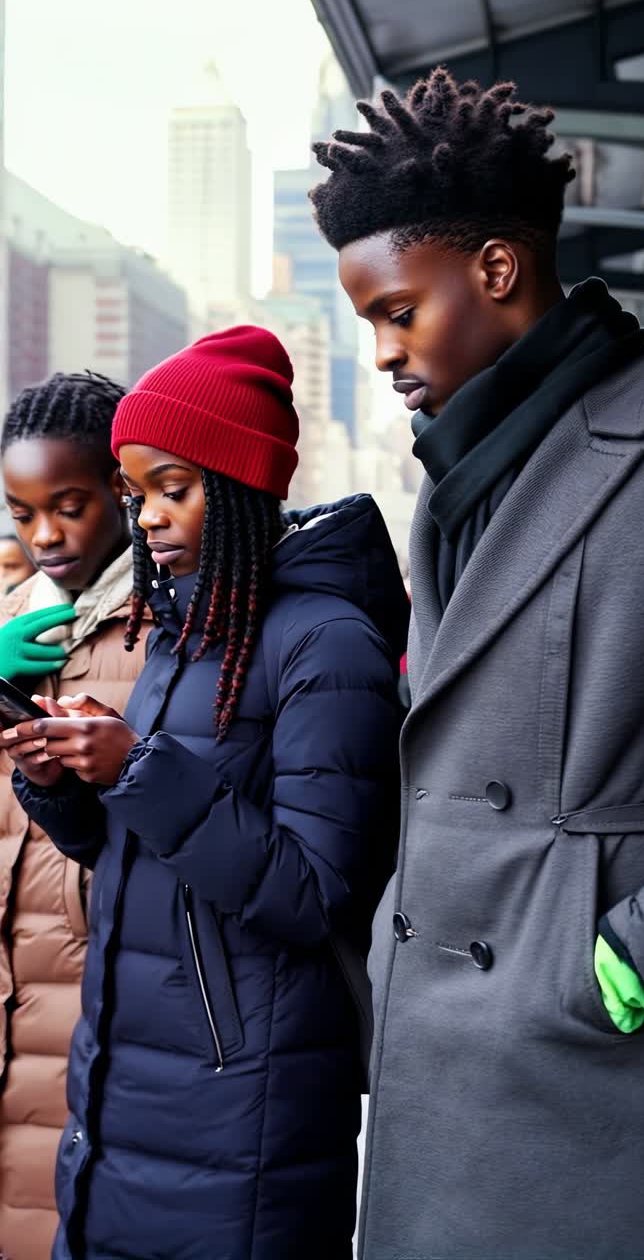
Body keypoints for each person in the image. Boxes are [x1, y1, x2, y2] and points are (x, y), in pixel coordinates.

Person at [310, 67, 644, 1260]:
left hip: (598, 1074)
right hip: (448, 1058)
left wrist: (631, 960)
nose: (385, 353)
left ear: (496, 268)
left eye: (398, 310)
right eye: (368, 325)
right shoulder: (456, 483)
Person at [2, 326, 408, 1260]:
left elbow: (314, 893)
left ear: (238, 485)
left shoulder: (326, 644)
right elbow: (127, 851)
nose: (144, 518)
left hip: (240, 1092)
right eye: (137, 493)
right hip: (122, 1081)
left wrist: (139, 767)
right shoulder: (187, 632)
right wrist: (59, 783)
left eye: (172, 491)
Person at [0, 371, 151, 1260]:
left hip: (103, 1000)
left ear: (121, 491)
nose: (45, 535)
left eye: (70, 505)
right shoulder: (11, 621)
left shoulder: (169, 623)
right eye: (22, 513)